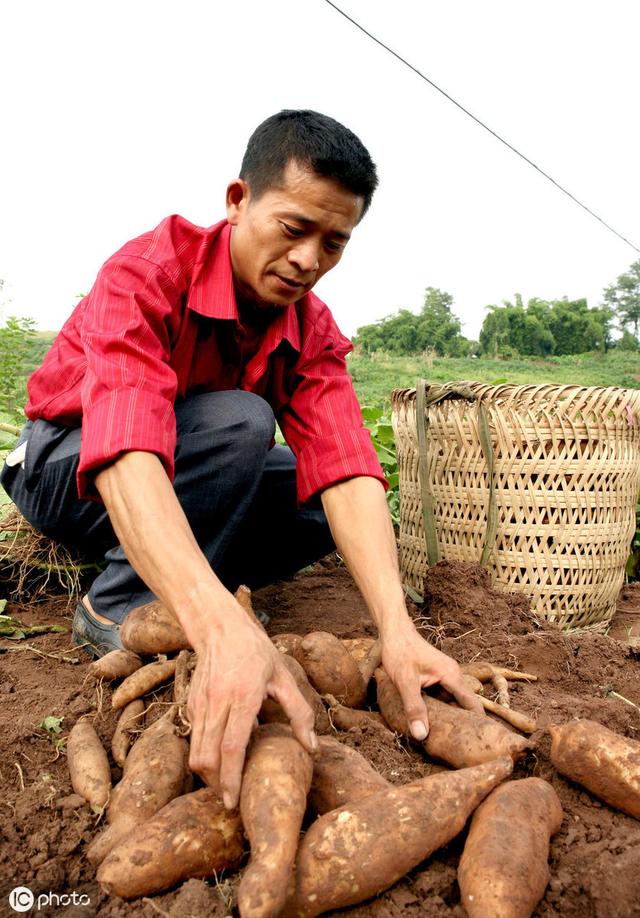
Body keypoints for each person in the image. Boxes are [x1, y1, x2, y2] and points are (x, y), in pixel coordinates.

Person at [1, 109, 482, 809]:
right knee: (240, 423)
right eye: (294, 228)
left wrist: (396, 628)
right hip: (62, 463)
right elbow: (127, 449)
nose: (309, 260)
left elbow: (348, 470)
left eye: (334, 243)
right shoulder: (148, 271)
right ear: (237, 202)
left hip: (178, 467)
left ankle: (187, 573)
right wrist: (217, 625)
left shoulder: (310, 326)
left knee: (320, 501)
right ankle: (115, 604)